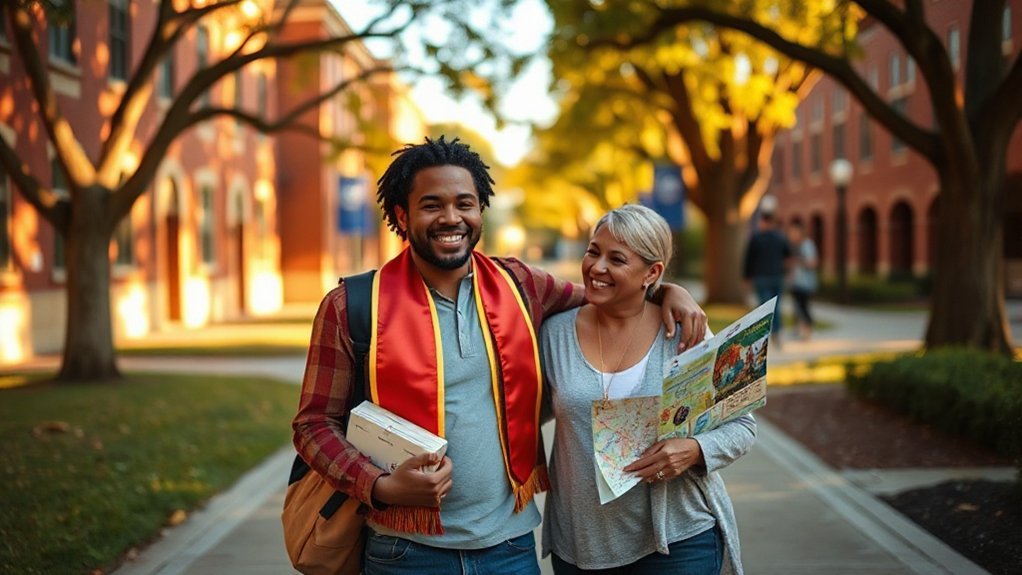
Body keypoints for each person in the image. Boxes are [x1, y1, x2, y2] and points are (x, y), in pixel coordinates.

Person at [291, 136, 708, 575]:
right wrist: (381, 485)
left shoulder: (521, 284)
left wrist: (666, 292)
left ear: (480, 211)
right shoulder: (352, 306)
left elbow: (610, 292)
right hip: (404, 551)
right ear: (402, 215)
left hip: (509, 549)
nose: (451, 218)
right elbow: (313, 424)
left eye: (465, 204)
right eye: (432, 205)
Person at [540, 204, 755, 574]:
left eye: (617, 259)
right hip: (583, 546)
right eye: (593, 251)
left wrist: (694, 450)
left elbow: (743, 426)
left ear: (652, 272)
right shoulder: (553, 334)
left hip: (679, 539)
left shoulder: (686, 334)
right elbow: (516, 411)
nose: (597, 267)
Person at [742, 208, 791, 347]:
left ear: (763, 221)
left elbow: (748, 260)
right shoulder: (780, 237)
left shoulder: (756, 238)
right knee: (776, 307)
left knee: (765, 308)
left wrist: (747, 278)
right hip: (777, 277)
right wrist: (786, 272)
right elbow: (788, 256)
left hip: (761, 278)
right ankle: (776, 333)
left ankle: (768, 335)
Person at [787, 220, 818, 340]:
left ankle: (808, 330)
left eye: (793, 232)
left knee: (803, 307)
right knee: (798, 307)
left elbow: (812, 263)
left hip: (805, 283)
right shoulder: (796, 246)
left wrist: (799, 261)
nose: (791, 235)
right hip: (797, 282)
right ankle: (800, 329)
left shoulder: (807, 245)